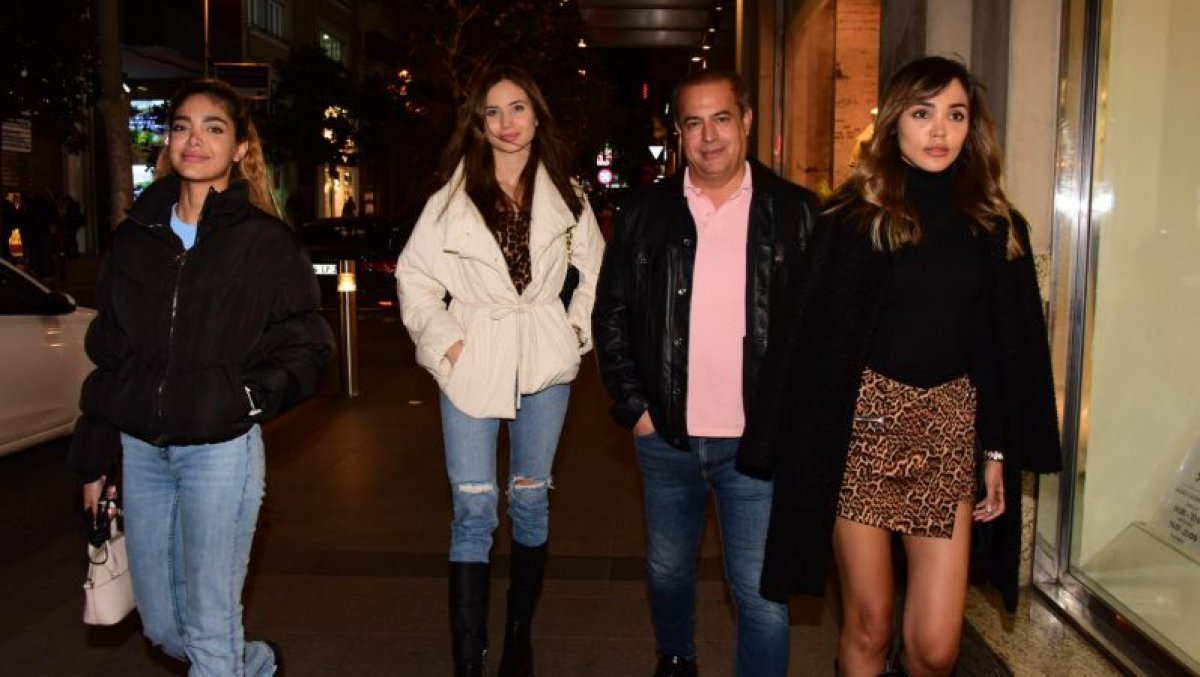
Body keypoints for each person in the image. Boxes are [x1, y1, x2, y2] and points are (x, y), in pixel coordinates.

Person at [738, 56, 1062, 677]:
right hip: (863, 430)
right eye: (922, 113)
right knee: (870, 623)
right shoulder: (852, 219)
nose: (939, 130)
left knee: (936, 649)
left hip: (947, 431)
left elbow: (1000, 352)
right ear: (894, 123)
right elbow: (811, 343)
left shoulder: (995, 226)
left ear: (972, 128)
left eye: (955, 115)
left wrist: (996, 451)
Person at [68, 79, 334, 676]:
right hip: (142, 452)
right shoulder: (135, 239)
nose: (195, 140)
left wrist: (242, 398)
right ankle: (254, 666)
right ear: (168, 141)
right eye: (183, 126)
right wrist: (95, 458)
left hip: (220, 452)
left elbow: (308, 346)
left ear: (240, 147)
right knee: (164, 629)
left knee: (210, 627)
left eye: (214, 128)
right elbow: (110, 354)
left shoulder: (265, 243)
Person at [592, 69, 819, 677]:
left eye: (721, 118)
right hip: (666, 435)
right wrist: (635, 408)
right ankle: (676, 658)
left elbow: (819, 330)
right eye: (694, 123)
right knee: (668, 570)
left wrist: (794, 421)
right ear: (679, 133)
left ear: (747, 121)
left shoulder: (796, 212)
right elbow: (610, 314)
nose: (709, 136)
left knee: (761, 594)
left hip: (757, 444)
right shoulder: (645, 213)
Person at [396, 65, 604, 677]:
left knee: (531, 501)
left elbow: (596, 271)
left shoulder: (567, 192)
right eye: (493, 111)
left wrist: (574, 331)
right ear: (479, 124)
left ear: (537, 115)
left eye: (518, 108)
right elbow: (415, 278)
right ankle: (468, 660)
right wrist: (447, 345)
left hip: (544, 357)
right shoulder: (451, 197)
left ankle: (518, 634)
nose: (507, 122)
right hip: (474, 357)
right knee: (473, 509)